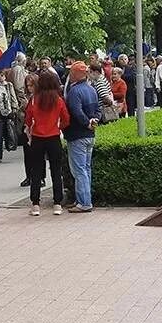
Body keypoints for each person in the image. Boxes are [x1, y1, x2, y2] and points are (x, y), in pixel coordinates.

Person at [24, 72, 70, 217]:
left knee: (36, 171)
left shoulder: (34, 100)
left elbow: (27, 119)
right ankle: (57, 204)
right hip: (54, 137)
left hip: (37, 138)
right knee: (56, 171)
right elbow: (66, 119)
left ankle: (35, 204)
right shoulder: (58, 99)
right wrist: (58, 127)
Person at [64, 62, 100, 213]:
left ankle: (84, 202)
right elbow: (98, 109)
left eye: (71, 72)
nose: (69, 75)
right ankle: (83, 199)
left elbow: (76, 111)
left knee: (79, 170)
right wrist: (94, 121)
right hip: (90, 134)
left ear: (76, 74)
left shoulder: (74, 91)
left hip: (77, 134)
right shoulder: (91, 89)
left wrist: (86, 123)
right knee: (86, 168)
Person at [19, 74, 45, 188]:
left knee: (39, 155)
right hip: (27, 128)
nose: (29, 88)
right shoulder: (27, 97)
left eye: (31, 85)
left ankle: (41, 177)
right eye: (27, 85)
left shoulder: (41, 97)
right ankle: (29, 176)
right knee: (27, 154)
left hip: (38, 129)